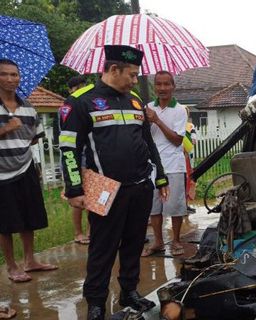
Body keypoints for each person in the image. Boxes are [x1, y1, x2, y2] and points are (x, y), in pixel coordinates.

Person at [58, 45, 169, 320]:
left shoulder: (134, 101)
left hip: (140, 184)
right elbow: (69, 148)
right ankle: (96, 302)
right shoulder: (81, 101)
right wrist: (74, 189)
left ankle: (129, 291)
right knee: (102, 248)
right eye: (131, 75)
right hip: (103, 186)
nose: (135, 81)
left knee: (133, 242)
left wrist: (161, 175)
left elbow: (147, 142)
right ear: (113, 69)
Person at [0, 59, 59, 283]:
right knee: (5, 223)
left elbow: (33, 137)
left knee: (29, 216)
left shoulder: (27, 107)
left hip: (25, 168)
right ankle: (12, 266)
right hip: (1, 174)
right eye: (4, 74)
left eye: (14, 74)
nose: (10, 79)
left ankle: (30, 260)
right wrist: (6, 129)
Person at [142, 70, 189, 257]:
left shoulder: (180, 110)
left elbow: (177, 140)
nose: (162, 88)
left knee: (174, 207)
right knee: (154, 207)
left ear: (173, 87)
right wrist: (146, 120)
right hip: (152, 166)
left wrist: (157, 120)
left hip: (173, 165)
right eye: (159, 84)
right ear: (154, 87)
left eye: (166, 84)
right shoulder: (146, 107)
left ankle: (176, 240)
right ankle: (158, 242)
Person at [56, 75, 91, 245]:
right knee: (77, 197)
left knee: (93, 198)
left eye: (83, 86)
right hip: (76, 157)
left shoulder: (88, 104)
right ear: (70, 90)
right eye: (76, 87)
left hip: (90, 157)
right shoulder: (66, 108)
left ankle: (92, 231)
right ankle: (78, 232)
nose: (80, 90)